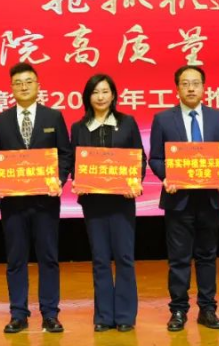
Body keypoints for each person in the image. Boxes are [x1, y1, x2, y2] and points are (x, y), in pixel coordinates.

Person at [0, 62, 73, 334]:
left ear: (38, 85)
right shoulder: (0, 121)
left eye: (29, 82)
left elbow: (65, 154)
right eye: (18, 83)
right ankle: (18, 314)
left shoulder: (53, 117)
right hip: (13, 203)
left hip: (46, 202)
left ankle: (50, 313)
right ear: (11, 88)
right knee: (16, 259)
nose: (24, 87)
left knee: (48, 258)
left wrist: (59, 180)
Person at [148, 65, 219, 332]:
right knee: (179, 258)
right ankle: (178, 310)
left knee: (207, 256)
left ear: (204, 87)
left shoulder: (218, 118)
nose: (191, 88)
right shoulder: (163, 119)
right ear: (177, 89)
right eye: (185, 84)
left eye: (196, 83)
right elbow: (155, 158)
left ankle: (208, 309)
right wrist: (167, 176)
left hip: (210, 198)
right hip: (178, 199)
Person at [69, 73, 145, 332]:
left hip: (122, 201)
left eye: (105, 91)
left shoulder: (127, 123)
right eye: (95, 92)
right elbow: (75, 163)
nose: (100, 97)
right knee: (100, 258)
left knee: (124, 257)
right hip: (93, 202)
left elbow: (139, 158)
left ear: (113, 95)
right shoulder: (79, 127)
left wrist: (134, 182)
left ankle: (125, 316)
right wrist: (77, 179)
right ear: (87, 97)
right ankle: (103, 316)